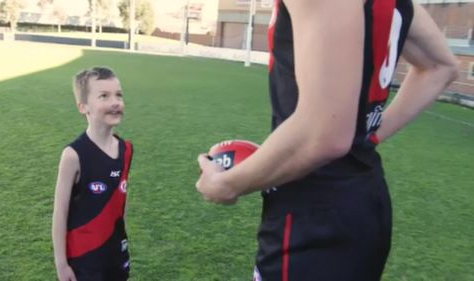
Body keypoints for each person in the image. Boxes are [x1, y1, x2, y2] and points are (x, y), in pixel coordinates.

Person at [196, 0, 458, 280]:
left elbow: (324, 137)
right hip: (360, 197)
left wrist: (226, 185)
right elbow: (440, 66)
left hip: (314, 212)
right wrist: (366, 135)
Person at [52, 67, 134, 281]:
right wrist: (61, 264)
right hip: (84, 260)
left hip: (116, 256)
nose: (115, 101)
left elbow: (120, 203)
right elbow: (60, 213)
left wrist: (122, 241)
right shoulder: (73, 155)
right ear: (83, 106)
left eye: (118, 94)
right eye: (104, 96)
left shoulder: (126, 150)